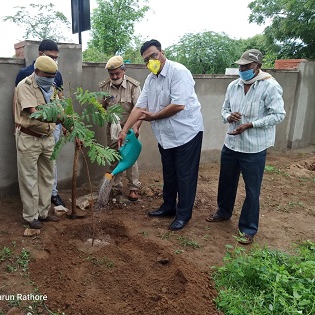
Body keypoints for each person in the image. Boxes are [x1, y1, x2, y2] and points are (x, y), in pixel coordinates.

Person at [118, 39, 204, 231]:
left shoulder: (179, 72)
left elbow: (178, 105)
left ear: (162, 52)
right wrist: (125, 130)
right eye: (147, 59)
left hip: (186, 133)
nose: (151, 61)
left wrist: (154, 117)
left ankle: (183, 214)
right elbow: (140, 106)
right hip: (165, 136)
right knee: (170, 173)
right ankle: (168, 207)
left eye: (153, 55)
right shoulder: (151, 79)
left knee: (185, 175)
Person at [206, 49, 286, 245]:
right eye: (240, 66)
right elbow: (224, 109)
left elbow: (278, 115)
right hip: (232, 143)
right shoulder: (234, 85)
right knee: (226, 182)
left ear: (257, 66)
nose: (242, 69)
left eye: (246, 66)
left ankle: (248, 228)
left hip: (254, 148)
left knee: (252, 190)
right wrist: (228, 116)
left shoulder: (270, 86)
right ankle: (223, 212)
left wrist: (251, 124)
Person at [15, 39, 66, 208]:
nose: (51, 80)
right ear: (37, 71)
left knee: (47, 177)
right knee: (29, 179)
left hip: (48, 137)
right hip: (30, 137)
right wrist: (59, 119)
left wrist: (67, 123)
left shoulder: (52, 85)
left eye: (53, 77)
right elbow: (34, 112)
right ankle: (31, 216)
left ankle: (44, 212)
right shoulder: (25, 84)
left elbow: (60, 105)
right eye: (48, 77)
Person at [99, 56, 142, 202]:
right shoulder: (104, 87)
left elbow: (140, 109)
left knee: (130, 158)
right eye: (111, 74)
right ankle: (115, 188)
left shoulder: (133, 86)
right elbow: (100, 107)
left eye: (117, 73)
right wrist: (108, 117)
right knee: (113, 157)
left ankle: (133, 188)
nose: (115, 76)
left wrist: (135, 128)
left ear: (124, 70)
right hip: (112, 128)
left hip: (130, 129)